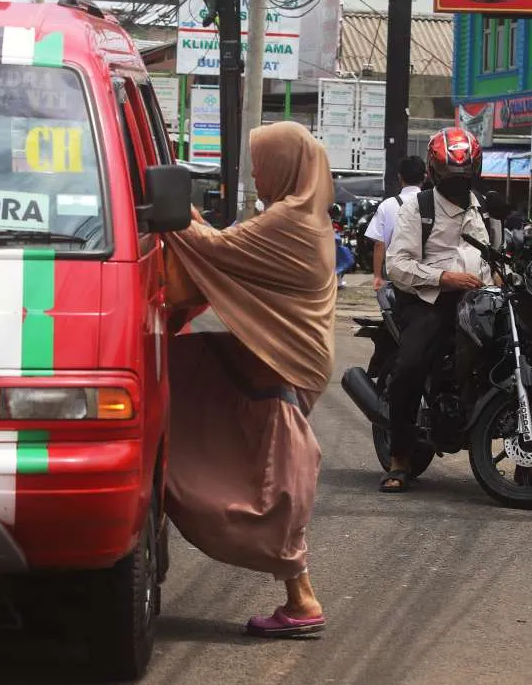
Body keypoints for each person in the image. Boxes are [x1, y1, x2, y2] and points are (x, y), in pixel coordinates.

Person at [163, 121, 336, 637]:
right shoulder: (309, 216)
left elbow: (217, 251)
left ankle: (301, 598)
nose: (256, 175)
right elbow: (224, 247)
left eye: (262, 165)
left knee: (276, 472)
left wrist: (169, 213)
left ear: (286, 166)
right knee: (186, 370)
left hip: (286, 359)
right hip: (291, 356)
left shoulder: (289, 221)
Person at [381, 128, 494, 492]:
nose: (457, 181)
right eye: (449, 173)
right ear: (433, 171)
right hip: (428, 300)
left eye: (463, 173)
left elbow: (493, 259)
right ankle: (399, 459)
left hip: (477, 302)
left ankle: (525, 462)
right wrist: (445, 278)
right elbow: (396, 265)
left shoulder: (484, 207)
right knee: (410, 367)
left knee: (512, 357)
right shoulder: (419, 207)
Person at [365, 155, 426, 291]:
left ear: (400, 177)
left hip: (394, 272)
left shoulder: (387, 205)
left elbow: (379, 243)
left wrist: (377, 276)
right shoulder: (434, 204)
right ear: (425, 177)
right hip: (426, 271)